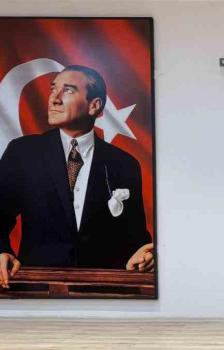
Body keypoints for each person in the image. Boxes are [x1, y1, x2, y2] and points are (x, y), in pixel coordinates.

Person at [0, 65, 153, 289]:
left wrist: (144, 255)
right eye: (53, 89)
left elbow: (136, 239)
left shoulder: (125, 164)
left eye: (68, 90)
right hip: (35, 289)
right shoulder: (22, 153)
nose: (54, 99)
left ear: (94, 106)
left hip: (104, 293)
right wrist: (1, 250)